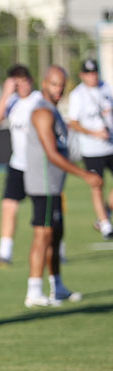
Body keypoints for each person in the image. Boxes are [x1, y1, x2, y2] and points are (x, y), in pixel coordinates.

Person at [23, 66, 103, 308]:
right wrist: (84, 175)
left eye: (61, 85)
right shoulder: (42, 113)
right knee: (43, 235)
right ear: (44, 83)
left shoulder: (54, 111)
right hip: (43, 184)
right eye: (54, 84)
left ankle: (57, 286)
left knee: (56, 235)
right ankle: (34, 291)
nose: (58, 90)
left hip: (54, 185)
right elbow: (51, 154)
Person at [0, 64, 44, 267]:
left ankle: (56, 250)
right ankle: (5, 252)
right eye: (17, 82)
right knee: (8, 205)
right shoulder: (12, 102)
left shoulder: (39, 101)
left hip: (39, 165)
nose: (22, 85)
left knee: (43, 211)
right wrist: (6, 94)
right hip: (17, 165)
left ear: (31, 81)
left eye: (24, 81)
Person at [67, 58, 113, 240]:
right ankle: (105, 225)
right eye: (88, 73)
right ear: (82, 75)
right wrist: (94, 133)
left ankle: (105, 213)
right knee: (97, 184)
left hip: (110, 145)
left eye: (94, 73)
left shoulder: (106, 88)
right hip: (91, 149)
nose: (92, 77)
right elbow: (73, 123)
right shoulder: (77, 95)